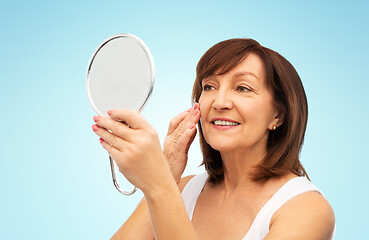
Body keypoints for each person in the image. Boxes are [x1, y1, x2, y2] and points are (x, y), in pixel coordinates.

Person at [91, 38, 336, 240]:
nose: (219, 102)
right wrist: (167, 176)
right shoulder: (183, 189)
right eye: (209, 87)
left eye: (243, 88)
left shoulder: (307, 210)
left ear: (278, 115)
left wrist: (158, 184)